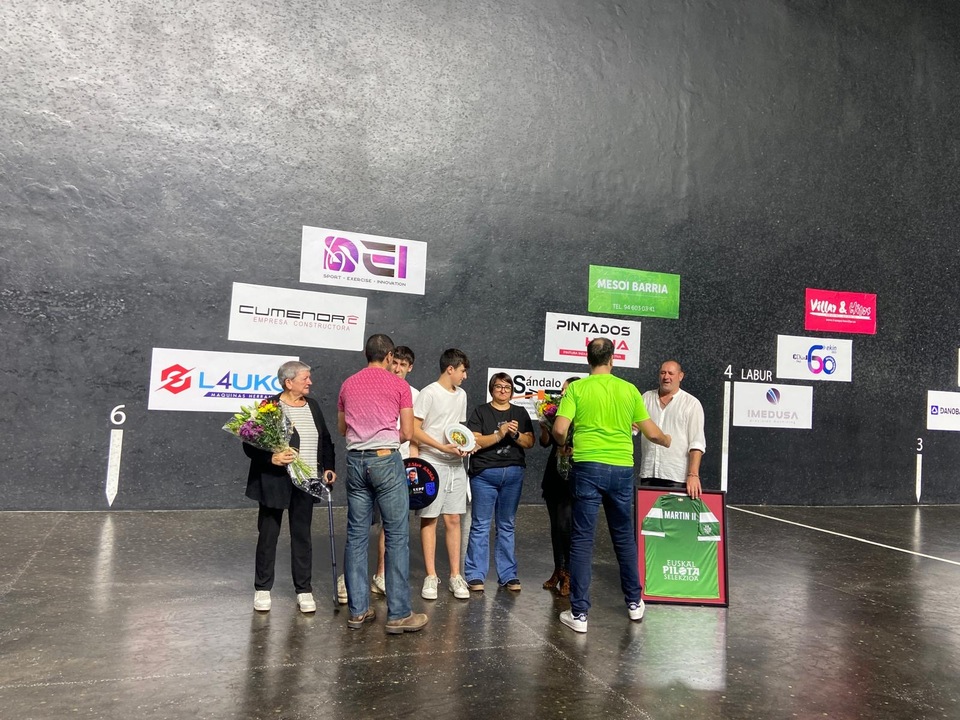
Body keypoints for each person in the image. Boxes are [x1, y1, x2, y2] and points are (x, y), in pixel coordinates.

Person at [552, 338, 671, 634]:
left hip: (587, 468)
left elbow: (559, 429)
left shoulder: (577, 389)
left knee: (582, 540)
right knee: (623, 537)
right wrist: (668, 440)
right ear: (612, 359)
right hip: (621, 470)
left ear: (588, 359)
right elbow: (653, 434)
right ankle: (634, 603)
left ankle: (579, 614)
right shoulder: (629, 390)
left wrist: (563, 442)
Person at [338, 334, 428, 634]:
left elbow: (342, 428)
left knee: (356, 536)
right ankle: (399, 614)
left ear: (367, 354)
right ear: (389, 356)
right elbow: (408, 432)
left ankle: (357, 611)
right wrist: (385, 437)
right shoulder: (399, 385)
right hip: (385, 460)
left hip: (355, 461)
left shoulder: (348, 384)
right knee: (397, 536)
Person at [244, 361, 336, 614]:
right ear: (288, 382)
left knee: (302, 536)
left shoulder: (313, 406)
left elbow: (325, 439)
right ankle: (263, 589)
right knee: (268, 535)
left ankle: (304, 590)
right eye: (305, 378)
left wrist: (328, 466)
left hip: (306, 482)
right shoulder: (269, 406)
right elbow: (249, 444)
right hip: (274, 482)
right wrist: (270, 458)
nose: (310, 382)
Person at [463, 373, 535, 592]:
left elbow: (530, 442)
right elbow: (474, 440)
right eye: (498, 387)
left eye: (507, 387)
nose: (503, 391)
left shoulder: (520, 412)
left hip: (513, 475)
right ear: (491, 389)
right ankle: (475, 575)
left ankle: (508, 575)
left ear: (512, 391)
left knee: (507, 525)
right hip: (484, 475)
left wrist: (515, 435)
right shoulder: (481, 411)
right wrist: (499, 434)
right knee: (480, 524)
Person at [412, 348, 472, 600]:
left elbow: (457, 429)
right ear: (450, 369)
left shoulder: (462, 395)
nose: (465, 376)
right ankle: (430, 576)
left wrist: (466, 446)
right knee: (430, 518)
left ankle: (455, 576)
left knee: (454, 519)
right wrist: (439, 447)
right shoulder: (428, 393)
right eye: (462, 371)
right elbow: (414, 429)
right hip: (431, 463)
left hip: (455, 465)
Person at [638, 360, 706, 499]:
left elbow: (697, 443)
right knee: (646, 514)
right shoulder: (646, 398)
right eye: (663, 373)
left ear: (680, 376)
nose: (666, 377)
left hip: (676, 477)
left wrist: (693, 475)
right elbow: (634, 428)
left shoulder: (692, 404)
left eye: (671, 373)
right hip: (648, 475)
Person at [539, 376, 579, 597]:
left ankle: (570, 574)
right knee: (555, 527)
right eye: (562, 389)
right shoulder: (556, 412)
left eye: (567, 390)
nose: (563, 393)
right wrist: (545, 426)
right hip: (553, 474)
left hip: (572, 475)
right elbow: (546, 443)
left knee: (566, 526)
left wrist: (573, 448)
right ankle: (558, 571)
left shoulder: (582, 413)